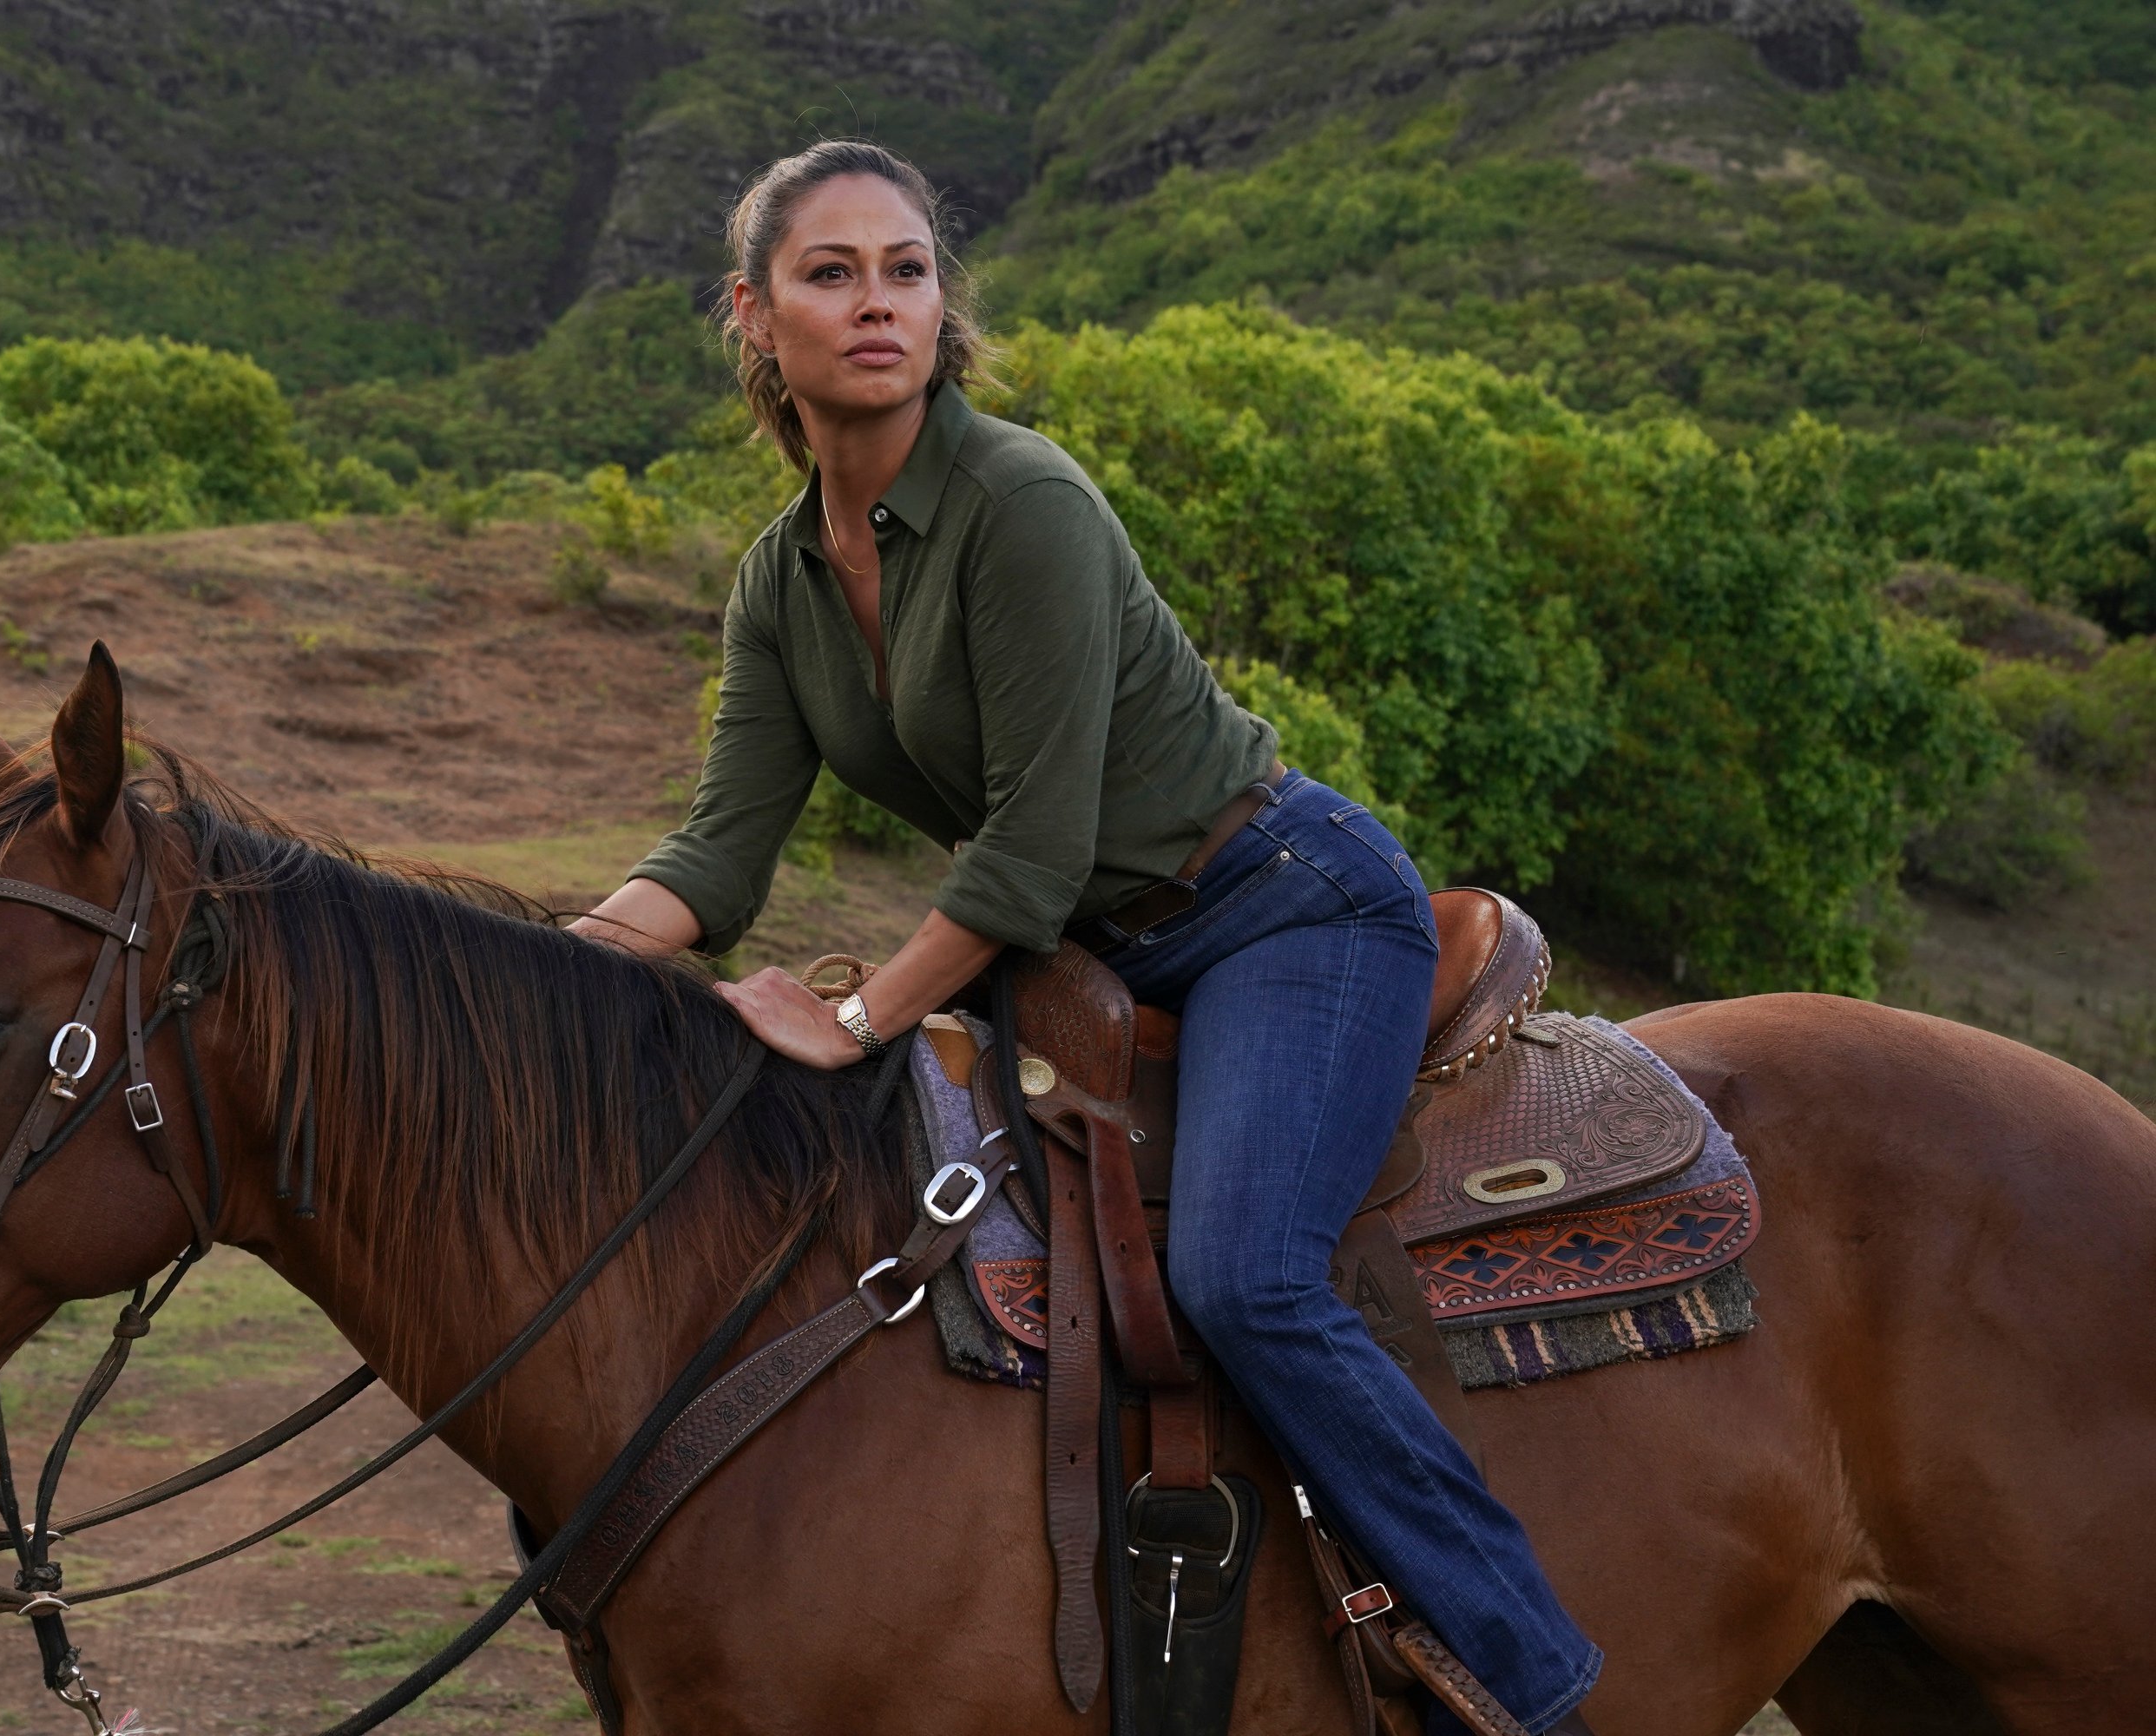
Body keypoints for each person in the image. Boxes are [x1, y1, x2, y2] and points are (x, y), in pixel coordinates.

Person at [569, 138, 1601, 1734]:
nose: (876, 305)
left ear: (939, 305)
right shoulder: (782, 580)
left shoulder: (1021, 501)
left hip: (1279, 907)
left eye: (905, 271)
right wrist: (567, 969)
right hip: (1090, 964)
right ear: (753, 318)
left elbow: (1033, 850)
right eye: (829, 275)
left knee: (1245, 1277)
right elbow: (718, 854)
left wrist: (857, 1022)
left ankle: (1523, 1672)